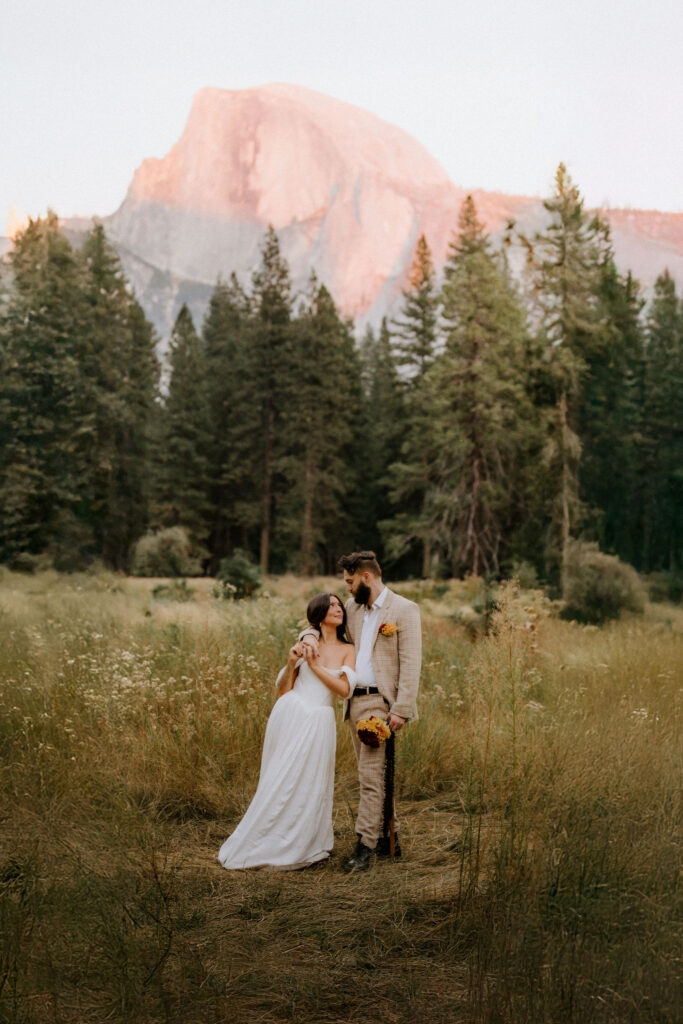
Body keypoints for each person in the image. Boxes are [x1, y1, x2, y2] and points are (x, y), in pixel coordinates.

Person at [300, 550, 421, 872]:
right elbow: (320, 626)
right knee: (377, 775)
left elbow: (411, 664)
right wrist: (309, 634)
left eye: (350, 581)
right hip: (353, 702)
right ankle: (387, 838)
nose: (348, 588)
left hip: (381, 705)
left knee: (370, 778)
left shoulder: (405, 610)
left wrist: (401, 709)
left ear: (366, 577)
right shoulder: (350, 610)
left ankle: (364, 845)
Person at [218, 593, 356, 870]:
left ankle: (301, 841)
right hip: (291, 713)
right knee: (280, 778)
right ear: (317, 614)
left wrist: (315, 666)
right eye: (330, 605)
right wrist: (293, 663)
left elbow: (344, 691)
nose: (337, 608)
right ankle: (264, 838)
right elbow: (283, 689)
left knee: (310, 781)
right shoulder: (305, 642)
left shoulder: (347, 648)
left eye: (339, 604)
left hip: (318, 719)